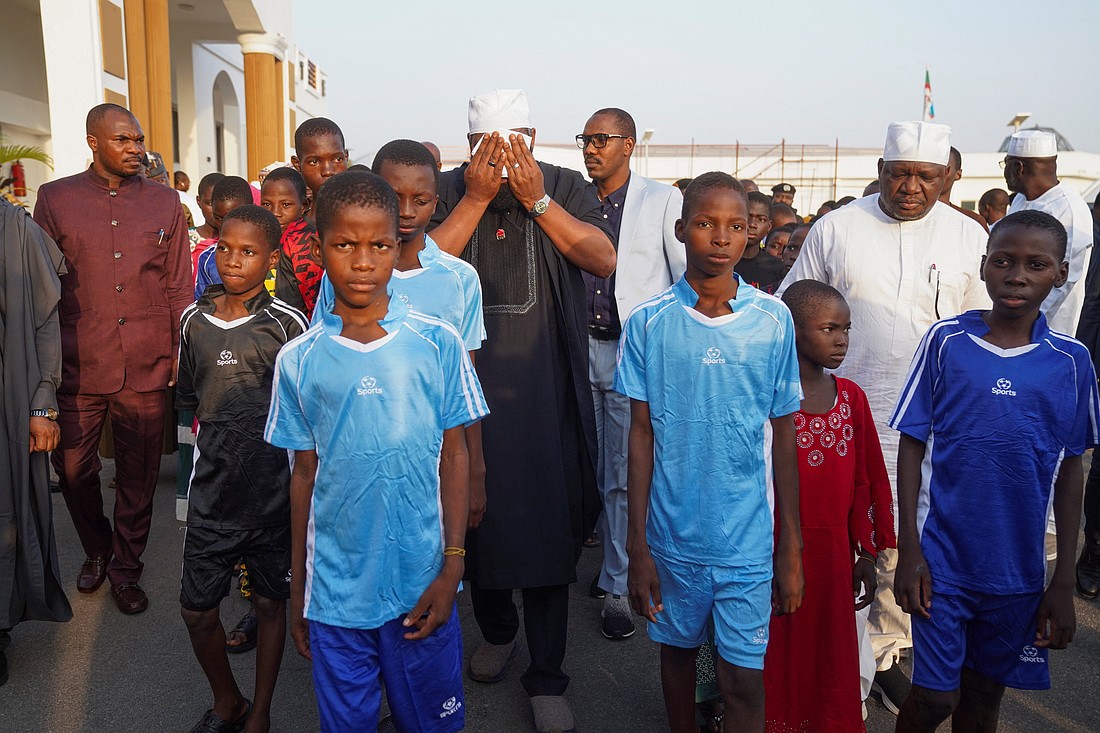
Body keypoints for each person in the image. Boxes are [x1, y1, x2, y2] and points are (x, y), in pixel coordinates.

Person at [779, 121, 989, 716]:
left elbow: (981, 330)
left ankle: (888, 653)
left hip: (930, 425)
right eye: (900, 174)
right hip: (843, 414)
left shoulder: (968, 238)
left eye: (925, 176)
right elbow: (792, 312)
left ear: (947, 176)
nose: (911, 187)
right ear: (880, 170)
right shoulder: (837, 229)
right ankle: (841, 661)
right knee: (841, 541)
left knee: (903, 541)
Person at [266, 170, 488, 733]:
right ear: (319, 247)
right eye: (344, 244)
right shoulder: (298, 359)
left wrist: (452, 568)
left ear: (398, 246)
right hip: (336, 596)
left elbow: (455, 455)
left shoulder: (438, 342)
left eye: (380, 245)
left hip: (422, 585)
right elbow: (302, 478)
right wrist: (300, 591)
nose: (363, 261)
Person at [428, 89, 615, 732]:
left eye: (516, 145)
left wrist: (537, 201)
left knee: (544, 530)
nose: (503, 160)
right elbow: (417, 269)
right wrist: (478, 198)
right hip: (462, 392)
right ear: (470, 144)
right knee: (473, 526)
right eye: (488, 148)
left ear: (533, 137)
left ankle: (548, 675)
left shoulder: (561, 182)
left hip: (545, 393)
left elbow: (602, 258)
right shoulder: (451, 189)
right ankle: (499, 632)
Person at [890, 210, 1099, 733]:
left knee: (983, 700)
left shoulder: (1071, 360)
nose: (1018, 275)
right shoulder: (947, 342)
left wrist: (1063, 579)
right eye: (1003, 261)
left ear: (1061, 273)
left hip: (1018, 575)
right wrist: (910, 551)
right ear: (983, 267)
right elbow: (912, 443)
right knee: (936, 698)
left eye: (1036, 264)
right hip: (942, 565)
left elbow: (1071, 469)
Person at [616, 172, 803, 733]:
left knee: (742, 680)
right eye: (705, 223)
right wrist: (637, 544)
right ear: (681, 230)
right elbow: (640, 434)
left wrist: (789, 545)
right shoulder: (649, 322)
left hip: (746, 540)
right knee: (676, 660)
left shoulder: (773, 320)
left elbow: (785, 434)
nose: (721, 237)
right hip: (673, 538)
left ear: (752, 233)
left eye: (736, 226)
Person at [32, 103, 192, 615]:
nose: (136, 149)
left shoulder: (166, 202)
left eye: (139, 139)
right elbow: (41, 284)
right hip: (78, 361)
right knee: (74, 470)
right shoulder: (55, 200)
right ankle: (98, 548)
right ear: (94, 142)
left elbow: (177, 285)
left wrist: (175, 352)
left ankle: (126, 567)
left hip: (145, 363)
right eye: (124, 140)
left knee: (138, 474)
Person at [177, 204, 306, 733]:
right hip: (212, 495)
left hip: (272, 496)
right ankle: (226, 698)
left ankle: (263, 709)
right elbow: (188, 403)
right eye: (225, 247)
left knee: (272, 605)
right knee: (196, 611)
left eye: (249, 251)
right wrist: (186, 494)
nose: (233, 260)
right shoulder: (191, 321)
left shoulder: (287, 324)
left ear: (270, 259)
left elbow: (304, 416)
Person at [765, 279, 896, 732]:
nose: (841, 340)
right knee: (777, 645)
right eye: (828, 329)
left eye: (846, 329)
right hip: (774, 549)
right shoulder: (766, 395)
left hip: (834, 553)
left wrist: (865, 551)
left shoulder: (851, 399)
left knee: (829, 649)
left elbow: (866, 479)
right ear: (792, 332)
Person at [577, 107, 686, 642]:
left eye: (602, 139)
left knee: (622, 471)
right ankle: (608, 563)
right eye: (586, 139)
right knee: (593, 463)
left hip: (632, 352)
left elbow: (682, 279)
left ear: (629, 144)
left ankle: (619, 584)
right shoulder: (576, 200)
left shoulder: (662, 200)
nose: (591, 148)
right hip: (581, 346)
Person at [0, 199, 72, 687]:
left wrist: (42, 403)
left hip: (8, 397)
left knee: (5, 519)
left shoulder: (15, 230)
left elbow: (45, 324)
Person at [1003, 129, 1094, 335]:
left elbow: (1063, 281)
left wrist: (1029, 323)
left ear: (1018, 167)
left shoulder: (1068, 208)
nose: (1004, 172)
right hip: (1011, 320)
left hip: (1047, 327)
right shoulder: (1019, 200)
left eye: (1005, 164)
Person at [266, 167, 323, 319]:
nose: (275, 212)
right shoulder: (258, 242)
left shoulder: (307, 243)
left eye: (286, 205)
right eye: (266, 204)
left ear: (304, 205)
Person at [195, 176, 254, 299]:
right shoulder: (207, 258)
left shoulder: (265, 254)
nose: (225, 225)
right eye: (218, 218)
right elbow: (202, 303)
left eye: (233, 217)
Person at [292, 117, 349, 212]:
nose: (328, 171)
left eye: (337, 159)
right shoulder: (293, 226)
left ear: (346, 157)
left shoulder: (369, 223)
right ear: (297, 164)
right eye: (314, 162)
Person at [734, 191, 785, 294]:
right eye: (748, 217)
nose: (752, 224)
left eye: (761, 219)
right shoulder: (722, 260)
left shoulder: (777, 268)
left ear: (769, 226)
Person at [939, 147, 988, 232]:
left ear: (958, 174)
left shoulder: (973, 223)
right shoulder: (910, 217)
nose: (935, 173)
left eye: (944, 168)